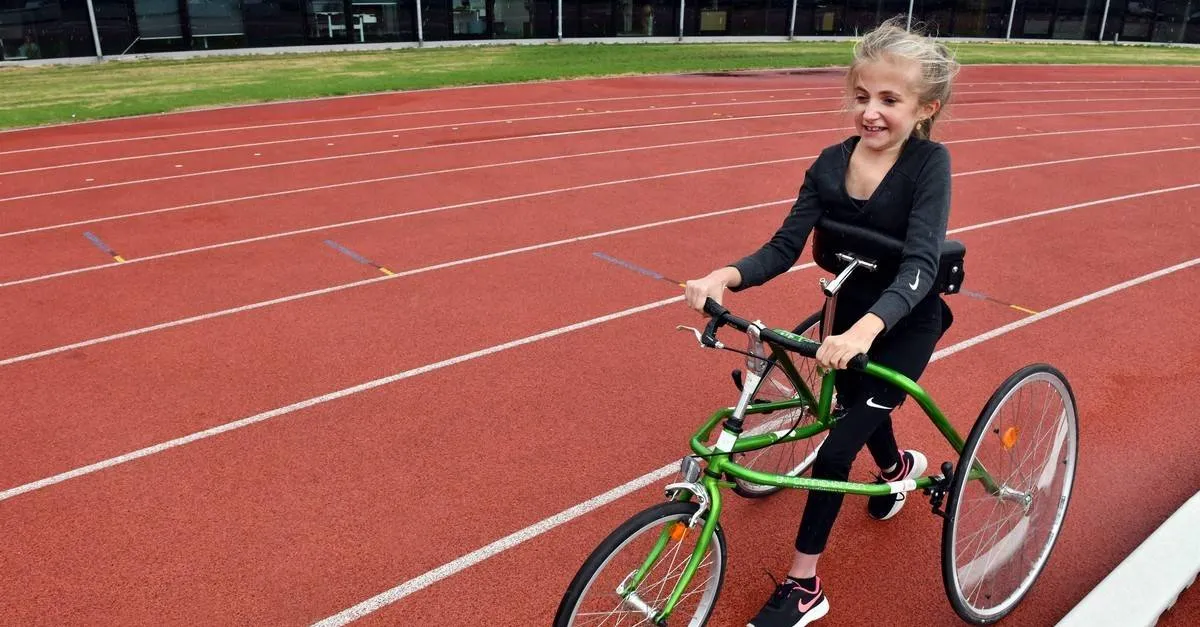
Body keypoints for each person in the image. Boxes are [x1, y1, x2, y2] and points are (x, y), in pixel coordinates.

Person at [682, 17, 960, 627]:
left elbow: (918, 267)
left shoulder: (928, 166)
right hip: (843, 315)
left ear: (925, 108)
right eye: (862, 97)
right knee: (856, 407)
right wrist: (722, 277)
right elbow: (783, 247)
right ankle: (895, 471)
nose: (871, 112)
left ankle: (804, 587)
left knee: (836, 447)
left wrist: (867, 332)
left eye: (890, 100)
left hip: (903, 323)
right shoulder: (830, 163)